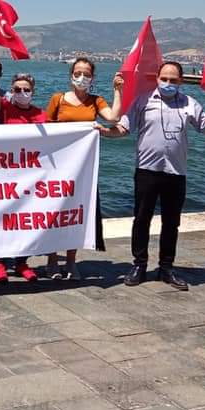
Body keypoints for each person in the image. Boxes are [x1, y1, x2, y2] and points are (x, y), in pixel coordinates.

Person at [100, 61, 205, 291]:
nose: (168, 83)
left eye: (173, 80)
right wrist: (103, 132)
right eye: (164, 79)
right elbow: (123, 128)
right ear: (157, 78)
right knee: (141, 219)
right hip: (147, 170)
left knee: (171, 223)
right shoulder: (143, 100)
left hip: (176, 172)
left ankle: (166, 268)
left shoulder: (190, 103)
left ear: (181, 81)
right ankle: (139, 265)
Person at [43, 58, 123, 281]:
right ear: (71, 75)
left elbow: (114, 118)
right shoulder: (58, 99)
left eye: (87, 74)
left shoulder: (96, 101)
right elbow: (45, 128)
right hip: (57, 167)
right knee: (53, 212)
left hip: (82, 168)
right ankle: (51, 260)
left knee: (76, 213)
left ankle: (71, 260)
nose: (82, 77)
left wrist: (118, 91)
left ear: (92, 78)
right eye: (78, 72)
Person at [0, 50, 45, 283]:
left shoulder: (41, 114)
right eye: (17, 89)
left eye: (26, 89)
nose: (22, 93)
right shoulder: (6, 107)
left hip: (30, 175)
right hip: (6, 173)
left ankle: (21, 262)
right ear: (12, 90)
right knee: (2, 218)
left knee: (25, 219)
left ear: (33, 91)